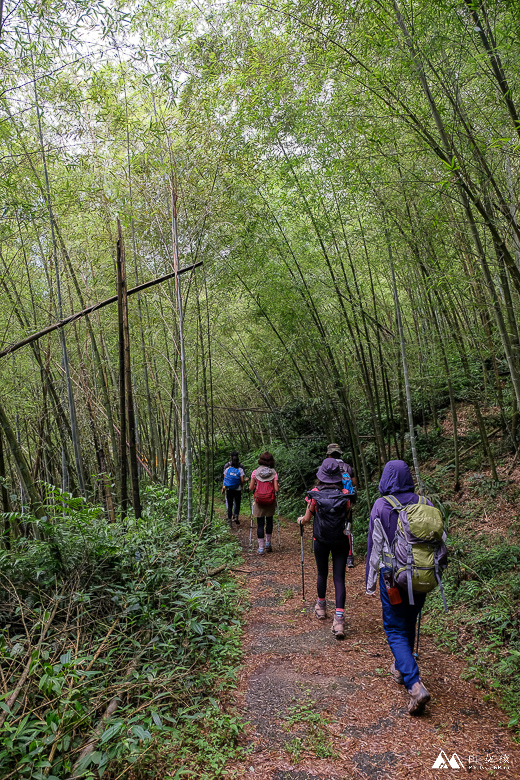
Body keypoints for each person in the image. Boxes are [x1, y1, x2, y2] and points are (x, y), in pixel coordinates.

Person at [365, 459, 432, 715]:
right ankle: (400, 666)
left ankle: (415, 685)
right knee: (409, 620)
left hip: (392, 577)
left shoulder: (381, 506)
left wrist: (370, 583)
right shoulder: (425, 503)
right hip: (422, 576)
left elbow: (375, 547)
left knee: (394, 627)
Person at [297, 458, 353, 639]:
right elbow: (348, 517)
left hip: (320, 540)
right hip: (341, 540)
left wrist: (300, 521)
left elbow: (306, 519)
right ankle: (339, 620)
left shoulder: (314, 494)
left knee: (322, 573)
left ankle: (321, 608)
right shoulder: (345, 494)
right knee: (339, 577)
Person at [325, 443, 357, 568]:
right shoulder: (347, 467)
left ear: (329, 454)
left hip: (331, 502)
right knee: (347, 526)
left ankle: (330, 552)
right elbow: (354, 484)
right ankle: (349, 557)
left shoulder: (326, 466)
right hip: (346, 502)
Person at [249, 452, 279, 554]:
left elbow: (251, 488)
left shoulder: (255, 472)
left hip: (259, 501)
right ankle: (268, 543)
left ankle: (261, 548)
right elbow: (276, 489)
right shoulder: (274, 473)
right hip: (270, 500)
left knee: (260, 523)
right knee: (269, 521)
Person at [222, 452, 245, 526]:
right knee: (237, 503)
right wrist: (244, 484)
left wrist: (223, 488)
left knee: (230, 504)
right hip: (237, 489)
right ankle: (236, 517)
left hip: (229, 489)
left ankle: (229, 520)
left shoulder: (227, 468)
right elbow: (242, 481)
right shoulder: (240, 468)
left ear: (231, 457)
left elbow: (225, 480)